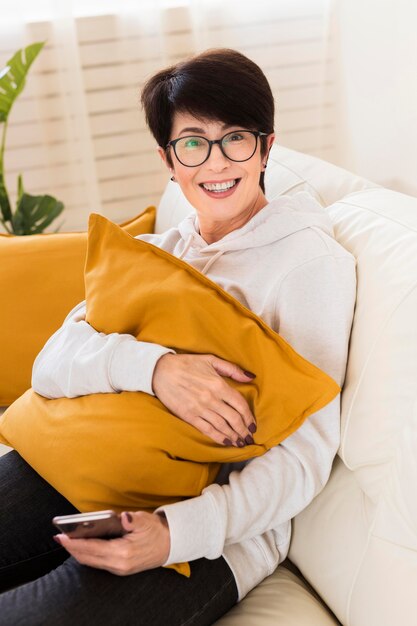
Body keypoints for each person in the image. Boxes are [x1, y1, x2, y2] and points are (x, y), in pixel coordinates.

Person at [0, 48, 357, 624]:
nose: (216, 163)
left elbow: (304, 457)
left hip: (205, 536)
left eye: (235, 138)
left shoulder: (309, 266)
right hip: (74, 465)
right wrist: (157, 369)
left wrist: (175, 534)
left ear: (267, 147)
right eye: (192, 142)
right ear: (169, 160)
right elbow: (51, 362)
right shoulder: (157, 254)